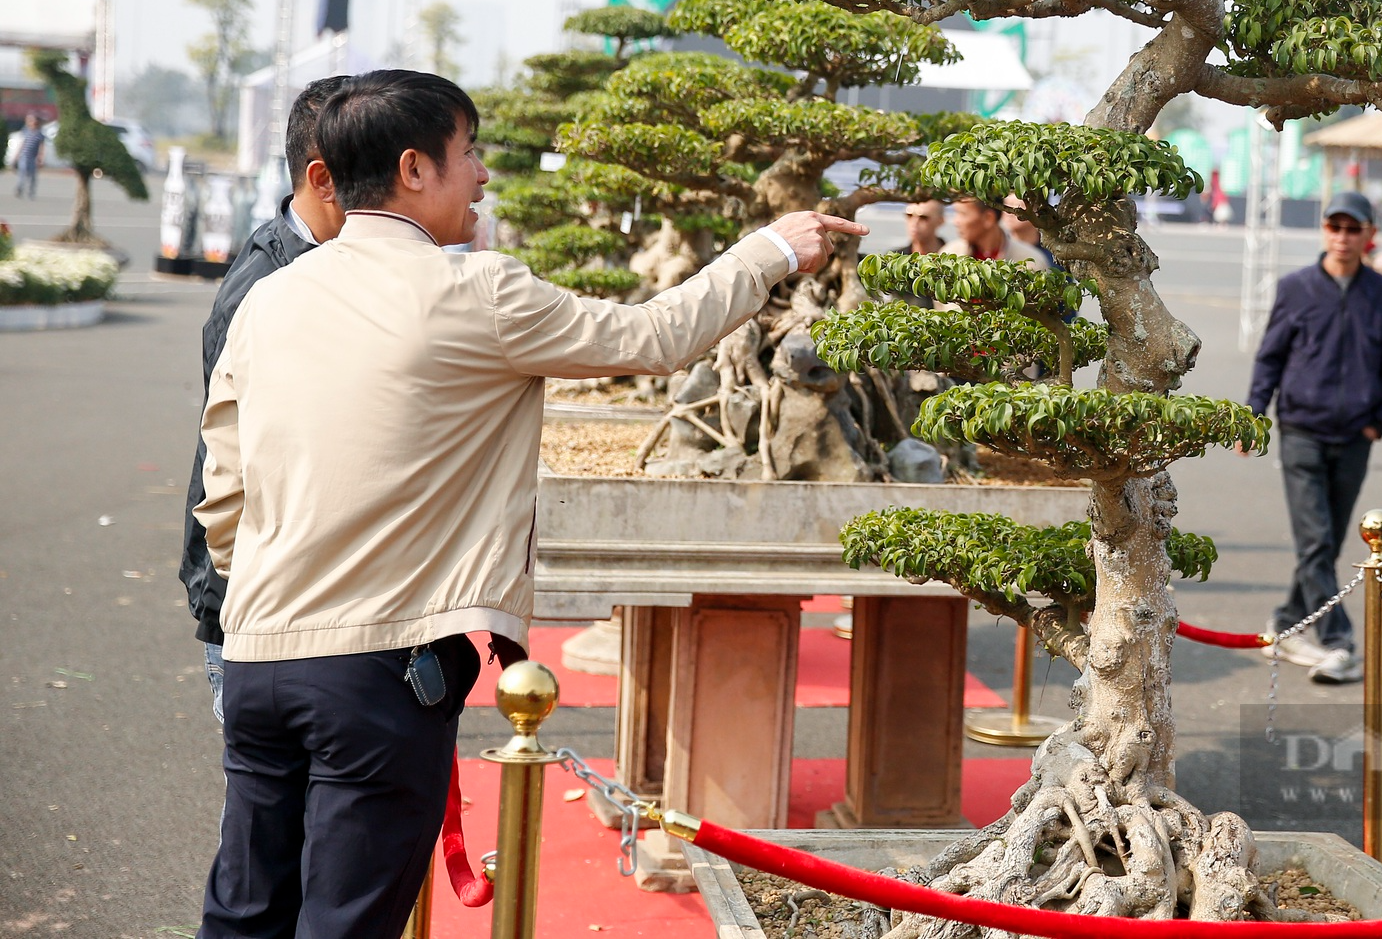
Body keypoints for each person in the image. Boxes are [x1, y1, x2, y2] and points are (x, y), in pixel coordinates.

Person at [194, 70, 864, 938]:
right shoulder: (477, 291)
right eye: (469, 153)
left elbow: (223, 495)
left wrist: (268, 593)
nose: (482, 175)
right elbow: (652, 337)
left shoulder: (270, 299)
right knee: (345, 924)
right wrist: (769, 251)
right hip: (377, 673)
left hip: (257, 661)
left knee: (243, 918)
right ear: (413, 169)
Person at [180, 77, 349, 725]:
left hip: (295, 603)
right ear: (324, 177)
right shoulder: (269, 282)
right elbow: (231, 469)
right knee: (269, 818)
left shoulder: (319, 264)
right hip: (258, 613)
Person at [1245, 191, 1382, 684]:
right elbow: (1270, 356)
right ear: (1324, 231)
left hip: (1355, 436)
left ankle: (1286, 619)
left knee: (1328, 542)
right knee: (1316, 540)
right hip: (1301, 432)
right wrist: (1255, 413)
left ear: (1368, 235)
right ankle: (1339, 642)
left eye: (1352, 228)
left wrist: (1376, 421)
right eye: (1334, 227)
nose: (1342, 237)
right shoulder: (1295, 288)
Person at [944, 198, 1043, 265]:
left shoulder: (1028, 261)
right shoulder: (950, 255)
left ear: (988, 218)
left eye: (963, 214)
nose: (955, 221)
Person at [1000, 194, 1056, 268]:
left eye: (1017, 207)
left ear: (1037, 210)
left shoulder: (1052, 252)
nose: (1008, 213)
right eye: (1005, 206)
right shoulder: (1000, 247)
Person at [14, 113, 44, 198]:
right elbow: (22, 144)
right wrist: (17, 155)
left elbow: (42, 146)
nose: (33, 123)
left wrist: (40, 157)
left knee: (32, 175)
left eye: (34, 121)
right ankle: (19, 188)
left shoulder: (39, 134)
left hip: (33, 158)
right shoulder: (26, 132)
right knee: (22, 172)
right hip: (23, 156)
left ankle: (31, 191)